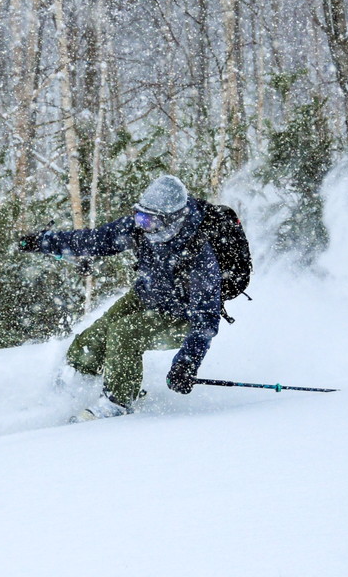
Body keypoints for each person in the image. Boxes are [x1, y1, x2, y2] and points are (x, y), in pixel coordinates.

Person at [18, 174, 221, 422]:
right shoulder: (138, 229)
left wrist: (186, 365)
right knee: (92, 339)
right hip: (147, 295)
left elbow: (207, 319)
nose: (143, 225)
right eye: (140, 216)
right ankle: (79, 386)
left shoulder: (200, 255)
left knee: (125, 332)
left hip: (182, 317)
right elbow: (94, 240)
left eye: (150, 221)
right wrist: (45, 241)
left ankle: (119, 401)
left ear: (172, 220)